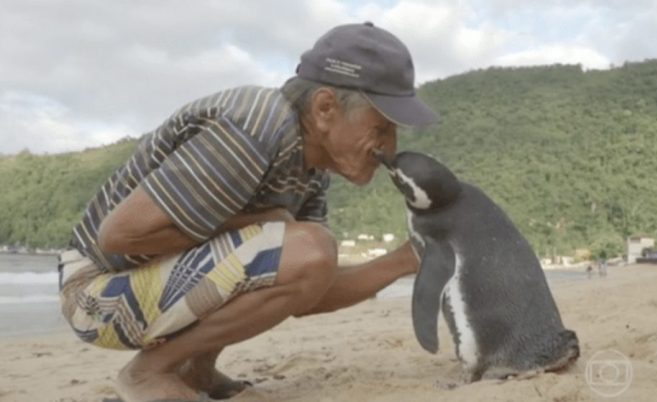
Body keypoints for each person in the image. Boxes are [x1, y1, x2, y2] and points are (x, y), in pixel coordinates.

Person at [57, 22, 438, 402]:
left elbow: (308, 287)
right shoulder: (254, 126)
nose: (389, 146)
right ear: (325, 108)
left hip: (141, 288)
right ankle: (149, 373)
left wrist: (407, 259)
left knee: (307, 249)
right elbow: (118, 237)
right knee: (305, 244)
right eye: (382, 126)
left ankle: (196, 369)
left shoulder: (311, 172)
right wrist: (260, 222)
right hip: (94, 293)